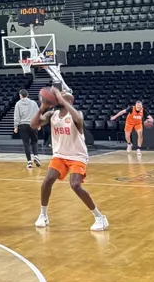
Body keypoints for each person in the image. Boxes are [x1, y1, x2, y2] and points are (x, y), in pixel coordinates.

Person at [33, 89, 108, 232]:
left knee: (75, 185)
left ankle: (100, 217)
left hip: (77, 156)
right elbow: (34, 125)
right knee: (47, 180)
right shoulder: (51, 114)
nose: (58, 99)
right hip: (60, 155)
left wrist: (61, 99)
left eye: (62, 97)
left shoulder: (76, 114)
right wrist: (42, 107)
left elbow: (79, 120)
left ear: (69, 101)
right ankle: (43, 214)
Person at [13, 89, 42, 169]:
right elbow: (38, 113)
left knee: (26, 143)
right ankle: (36, 156)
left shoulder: (18, 104)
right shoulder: (33, 103)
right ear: (27, 95)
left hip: (23, 125)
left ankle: (29, 162)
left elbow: (16, 116)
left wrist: (16, 126)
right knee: (34, 141)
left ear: (20, 95)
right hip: (33, 124)